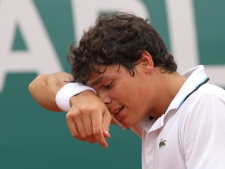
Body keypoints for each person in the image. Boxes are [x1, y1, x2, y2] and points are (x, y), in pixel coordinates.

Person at [29, 12, 225, 169]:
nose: (103, 100)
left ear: (144, 62)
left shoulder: (205, 104)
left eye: (108, 85)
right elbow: (40, 85)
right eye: (97, 92)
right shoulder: (149, 115)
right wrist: (81, 96)